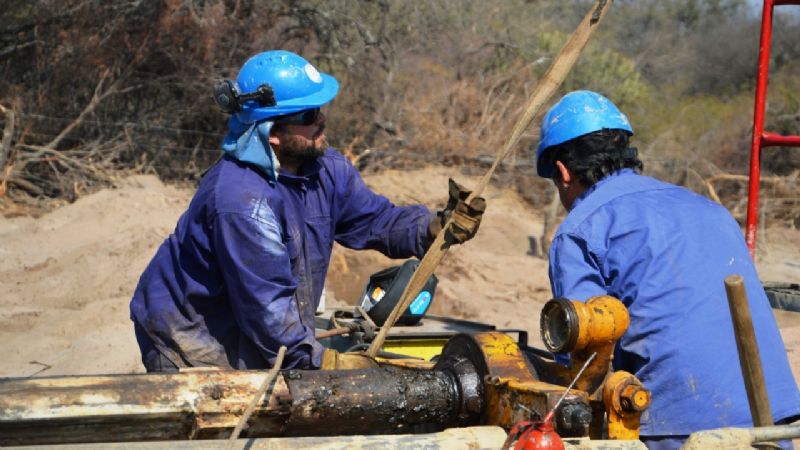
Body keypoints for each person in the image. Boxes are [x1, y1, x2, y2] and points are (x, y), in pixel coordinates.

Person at [129, 50, 485, 372]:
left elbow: (376, 220)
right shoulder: (241, 202)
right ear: (271, 133)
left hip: (258, 325)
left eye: (320, 108)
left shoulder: (323, 168)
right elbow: (268, 313)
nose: (322, 120)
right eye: (308, 114)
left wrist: (434, 228)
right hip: (191, 337)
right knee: (221, 430)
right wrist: (327, 362)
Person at [535, 90, 800, 449]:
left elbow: (581, 364)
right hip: (774, 417)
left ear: (563, 173)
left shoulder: (580, 231)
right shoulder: (709, 209)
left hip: (679, 428)